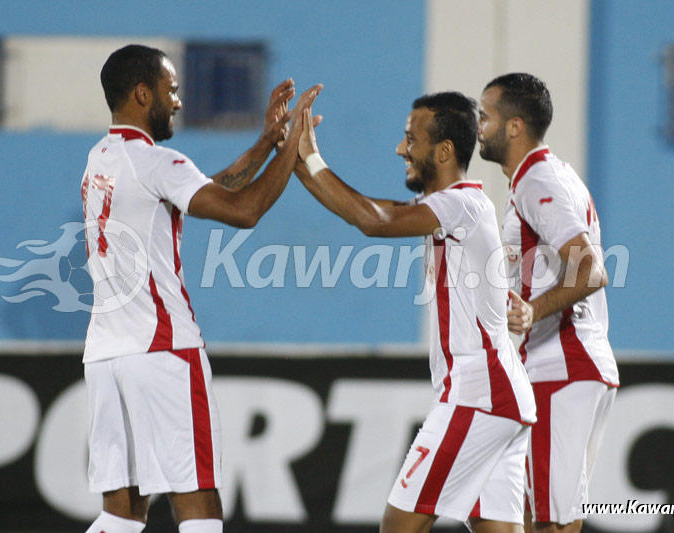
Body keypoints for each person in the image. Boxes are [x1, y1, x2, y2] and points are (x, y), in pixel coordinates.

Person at [80, 44, 320, 533]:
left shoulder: (101, 158)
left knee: (120, 516)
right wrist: (293, 144)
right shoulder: (154, 161)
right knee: (200, 509)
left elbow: (203, 190)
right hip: (163, 350)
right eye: (171, 90)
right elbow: (243, 210)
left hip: (106, 355)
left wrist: (262, 146)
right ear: (142, 93)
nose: (178, 102)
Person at [294, 92, 536, 533]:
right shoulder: (461, 209)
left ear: (444, 151)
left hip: (478, 398)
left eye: (411, 139)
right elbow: (367, 212)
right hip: (501, 399)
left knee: (399, 526)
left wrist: (312, 157)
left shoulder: (459, 203)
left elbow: (374, 220)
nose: (401, 149)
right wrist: (295, 158)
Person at [477, 73, 619, 533]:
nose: (479, 126)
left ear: (514, 126)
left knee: (551, 522)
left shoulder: (538, 179)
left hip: (560, 365)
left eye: (486, 116)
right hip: (566, 365)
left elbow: (591, 270)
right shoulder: (544, 176)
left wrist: (533, 311)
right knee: (528, 511)